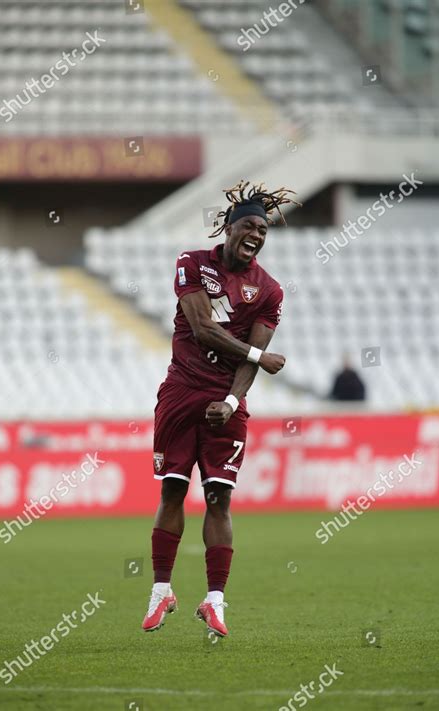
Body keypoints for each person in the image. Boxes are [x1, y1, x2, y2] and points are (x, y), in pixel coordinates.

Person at [142, 180, 301, 637]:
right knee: (172, 491)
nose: (258, 235)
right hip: (179, 393)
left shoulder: (269, 290)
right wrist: (259, 358)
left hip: (226, 401)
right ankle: (161, 591)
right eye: (250, 226)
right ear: (228, 228)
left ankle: (215, 601)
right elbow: (201, 328)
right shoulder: (191, 263)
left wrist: (232, 401)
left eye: (264, 231)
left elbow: (254, 349)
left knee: (219, 498)